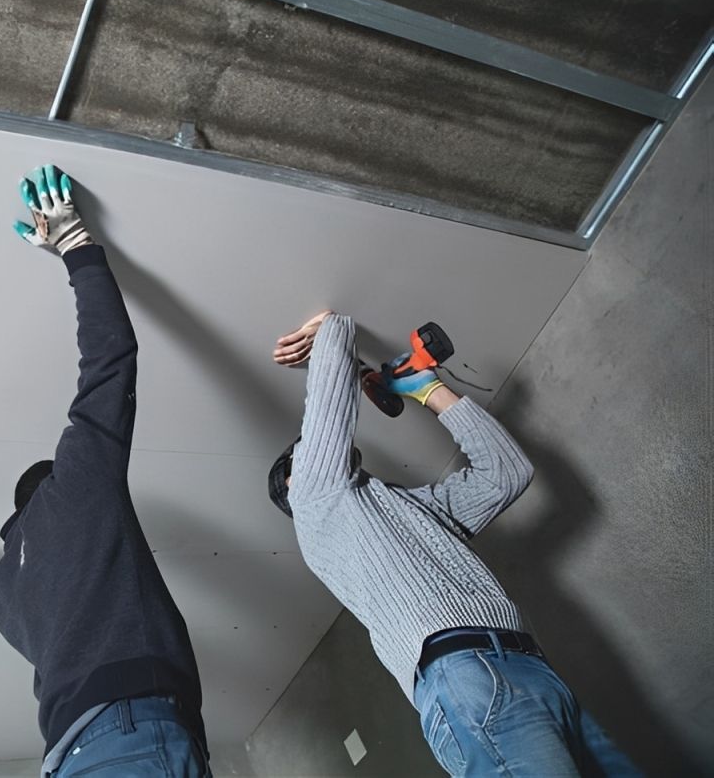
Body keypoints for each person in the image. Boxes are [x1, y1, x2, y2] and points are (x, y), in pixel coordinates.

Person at [0, 164, 209, 777]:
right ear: (51, 480)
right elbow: (109, 365)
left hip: (81, 748)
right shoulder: (76, 490)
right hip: (116, 735)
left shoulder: (14, 594)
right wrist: (76, 245)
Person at [269, 310, 637, 777]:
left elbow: (506, 475)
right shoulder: (314, 502)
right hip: (468, 676)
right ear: (292, 485)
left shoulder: (416, 512)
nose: (312, 447)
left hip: (532, 669)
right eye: (301, 454)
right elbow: (330, 398)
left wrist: (426, 388)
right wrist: (330, 333)